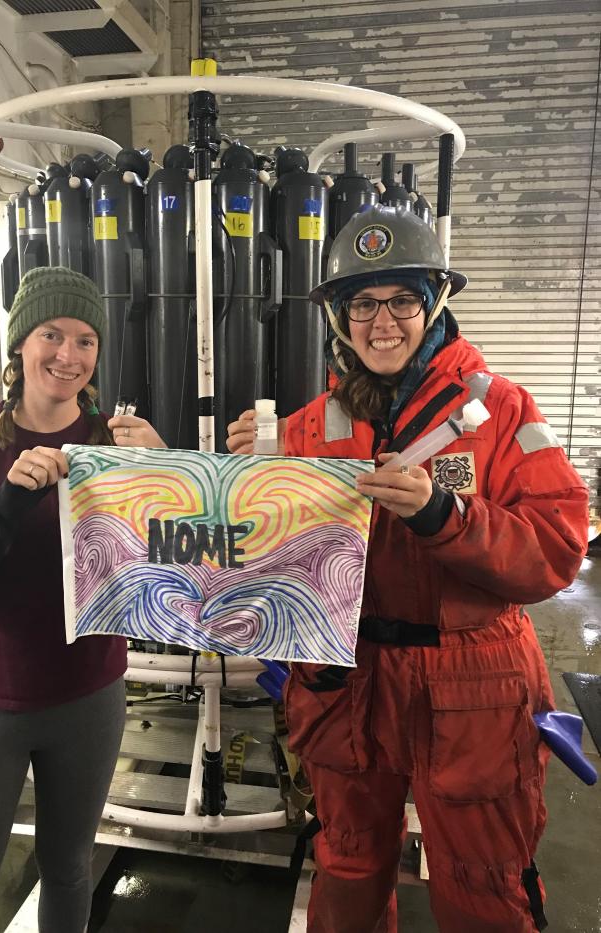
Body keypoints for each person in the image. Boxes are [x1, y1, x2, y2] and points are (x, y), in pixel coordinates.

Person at [227, 205, 589, 933]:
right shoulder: (303, 426)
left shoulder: (502, 410)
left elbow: (556, 547)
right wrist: (244, 478)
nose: (380, 321)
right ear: (339, 316)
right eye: (362, 302)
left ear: (434, 303)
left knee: (484, 884)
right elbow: (270, 557)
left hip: (474, 684)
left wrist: (446, 519)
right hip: (346, 679)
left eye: (400, 300)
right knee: (349, 868)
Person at [0, 265, 165, 933]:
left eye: (85, 340)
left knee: (71, 868)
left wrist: (172, 477)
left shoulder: (118, 443)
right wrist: (10, 500)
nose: (67, 355)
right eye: (51, 334)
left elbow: (166, 571)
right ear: (20, 343)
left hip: (89, 693)